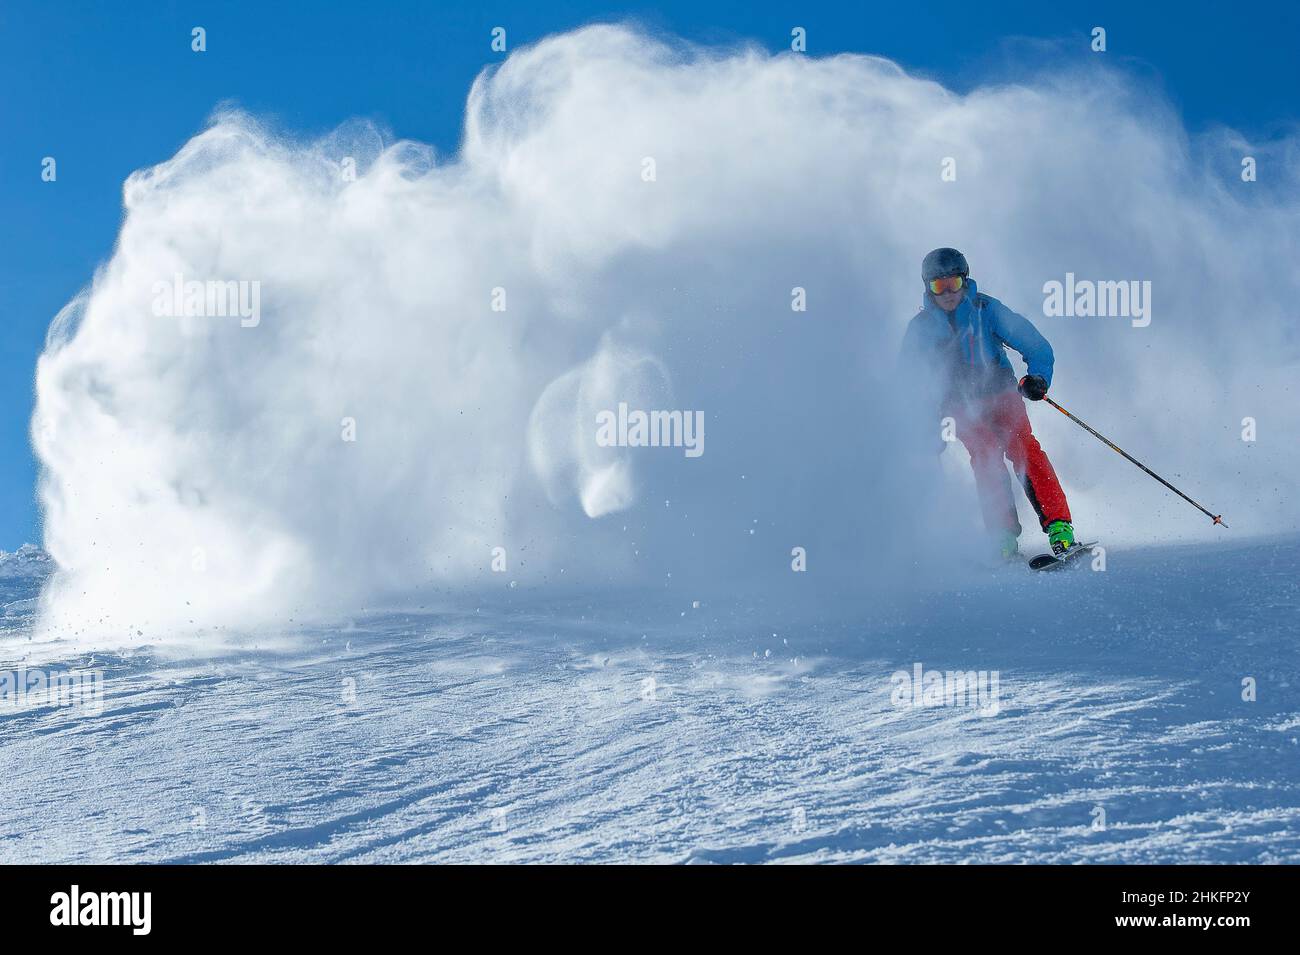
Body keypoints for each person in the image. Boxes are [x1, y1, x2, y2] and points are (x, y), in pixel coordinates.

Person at [899, 248, 1076, 560]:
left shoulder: (986, 309)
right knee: (984, 454)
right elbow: (909, 382)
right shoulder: (921, 329)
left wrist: (1038, 378)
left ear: (965, 281)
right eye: (939, 287)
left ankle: (1060, 527)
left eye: (953, 283)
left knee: (1024, 448)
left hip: (1001, 394)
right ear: (928, 288)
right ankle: (1001, 535)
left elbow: (1035, 344)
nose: (948, 293)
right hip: (960, 406)